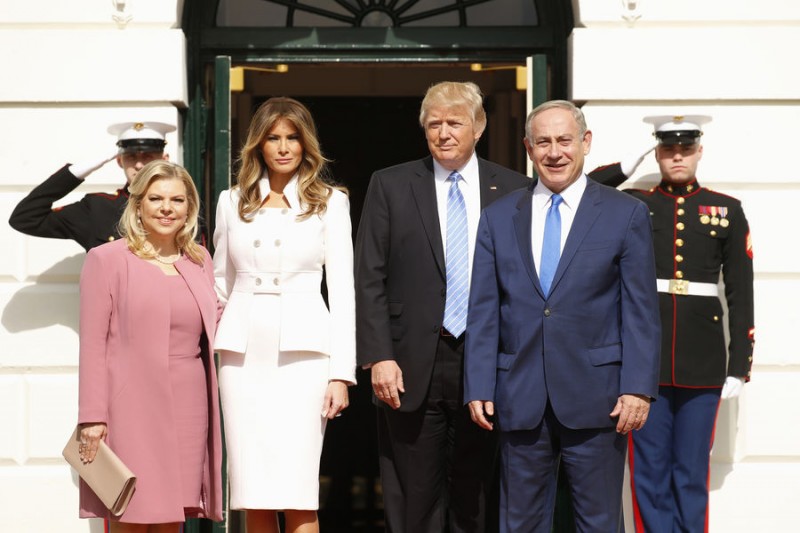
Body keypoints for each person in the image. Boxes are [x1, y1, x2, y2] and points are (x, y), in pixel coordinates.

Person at [463, 100, 661, 532]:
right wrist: (478, 382)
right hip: (519, 397)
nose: (555, 152)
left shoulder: (624, 213)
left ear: (585, 143)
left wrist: (638, 389)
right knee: (520, 523)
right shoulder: (498, 218)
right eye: (544, 142)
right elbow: (483, 310)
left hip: (601, 398)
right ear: (528, 148)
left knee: (599, 521)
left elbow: (641, 310)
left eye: (565, 140)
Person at [355, 81, 529, 533]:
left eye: (455, 122)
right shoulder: (390, 184)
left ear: (479, 127)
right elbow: (368, 276)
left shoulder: (514, 190)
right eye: (434, 123)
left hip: (486, 362)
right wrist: (379, 356)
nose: (444, 132)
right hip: (409, 364)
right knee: (415, 496)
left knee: (477, 496)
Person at [212, 96, 356, 533]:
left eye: (292, 137)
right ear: (258, 144)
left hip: (305, 356)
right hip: (241, 355)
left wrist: (341, 374)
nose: (283, 147)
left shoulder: (330, 202)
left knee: (297, 490)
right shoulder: (230, 201)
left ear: (306, 143)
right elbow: (219, 282)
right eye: (273, 137)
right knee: (253, 491)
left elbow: (345, 292)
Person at [622, 115, 755, 533]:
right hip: (648, 362)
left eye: (685, 149)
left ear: (699, 151)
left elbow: (740, 291)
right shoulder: (635, 203)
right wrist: (624, 168)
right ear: (657, 153)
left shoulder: (726, 210)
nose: (676, 156)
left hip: (703, 361)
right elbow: (585, 188)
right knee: (649, 471)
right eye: (667, 149)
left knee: (691, 471)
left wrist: (739, 365)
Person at [75, 160, 223, 531]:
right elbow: (92, 344)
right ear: (138, 205)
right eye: (155, 199)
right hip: (132, 407)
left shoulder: (199, 259)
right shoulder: (106, 259)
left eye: (177, 199)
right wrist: (92, 417)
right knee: (132, 511)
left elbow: (218, 323)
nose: (166, 208)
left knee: (172, 514)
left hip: (189, 404)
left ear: (189, 207)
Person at [9, 121, 175, 251]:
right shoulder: (97, 208)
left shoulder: (181, 206)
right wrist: (80, 169)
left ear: (164, 159)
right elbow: (25, 218)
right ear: (119, 161)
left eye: (147, 156)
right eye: (130, 157)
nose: (138, 165)